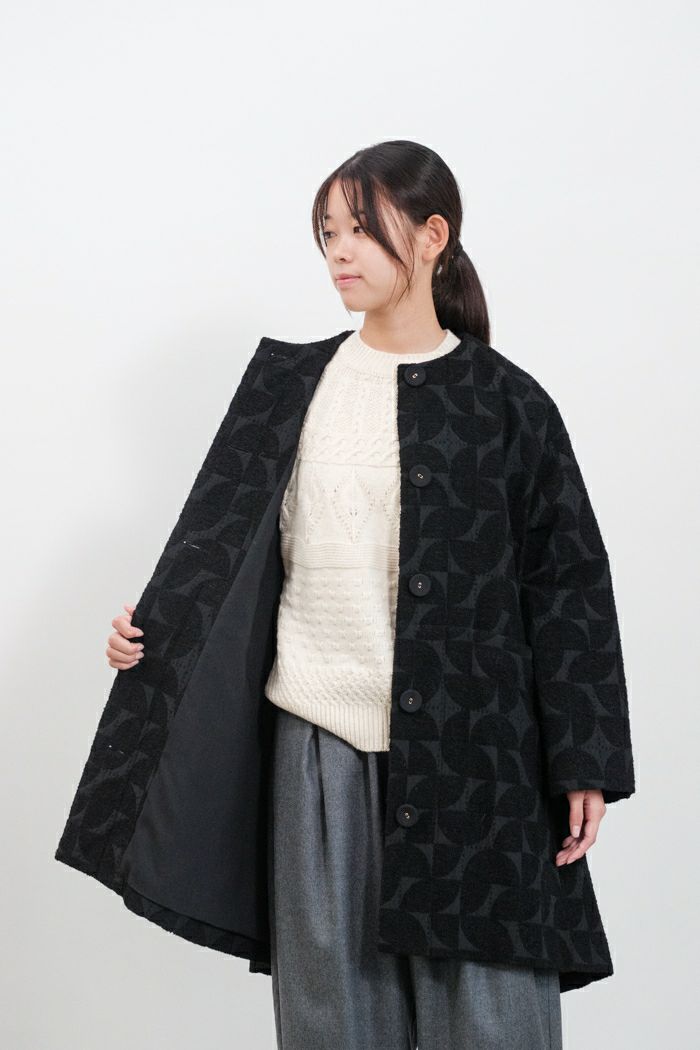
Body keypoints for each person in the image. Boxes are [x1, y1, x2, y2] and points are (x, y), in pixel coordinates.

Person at [102, 139, 635, 1049]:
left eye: (360, 229)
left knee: (496, 1019)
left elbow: (568, 579)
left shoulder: (508, 404)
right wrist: (149, 633)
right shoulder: (285, 388)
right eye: (327, 233)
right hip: (318, 753)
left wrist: (585, 755)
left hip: (480, 760)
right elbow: (221, 548)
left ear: (433, 236)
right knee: (333, 1022)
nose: (339, 252)